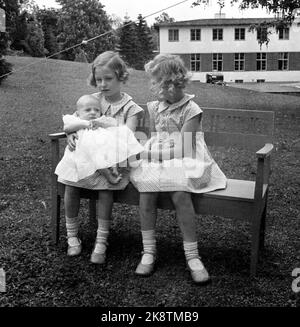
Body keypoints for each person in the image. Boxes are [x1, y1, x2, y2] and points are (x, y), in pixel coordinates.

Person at [130, 54, 227, 284]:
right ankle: (148, 251)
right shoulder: (155, 107)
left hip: (185, 158)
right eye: (155, 83)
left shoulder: (191, 109)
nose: (155, 88)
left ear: (174, 83)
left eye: (159, 83)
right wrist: (147, 151)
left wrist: (151, 154)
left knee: (180, 194)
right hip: (160, 155)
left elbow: (184, 150)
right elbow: (157, 137)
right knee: (147, 191)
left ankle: (193, 256)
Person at [59, 51, 144, 263]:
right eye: (98, 80)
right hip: (86, 159)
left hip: (115, 162)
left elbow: (128, 137)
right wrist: (70, 134)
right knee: (71, 184)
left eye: (108, 79)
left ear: (121, 77)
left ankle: (101, 240)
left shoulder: (130, 108)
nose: (103, 84)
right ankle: (72, 236)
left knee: (106, 189)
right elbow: (74, 119)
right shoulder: (92, 100)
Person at [55, 94, 143, 185]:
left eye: (97, 110)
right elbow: (67, 128)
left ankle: (113, 168)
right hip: (83, 153)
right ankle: (109, 175)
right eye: (88, 110)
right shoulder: (76, 120)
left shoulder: (100, 121)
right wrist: (84, 124)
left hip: (100, 150)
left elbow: (114, 126)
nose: (93, 112)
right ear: (78, 113)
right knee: (96, 156)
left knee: (108, 150)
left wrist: (100, 123)